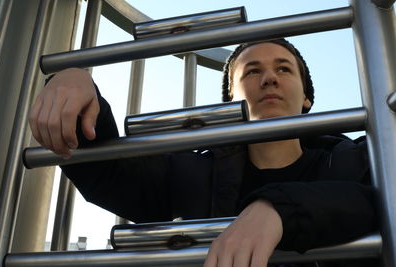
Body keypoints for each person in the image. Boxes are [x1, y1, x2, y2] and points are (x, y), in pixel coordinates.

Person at [29, 39, 377, 267]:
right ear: (230, 103)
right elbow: (110, 172)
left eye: (283, 69)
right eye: (252, 71)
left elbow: (380, 202)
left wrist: (279, 211)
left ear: (306, 98)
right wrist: (74, 82)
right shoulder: (191, 172)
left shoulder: (361, 160)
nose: (269, 78)